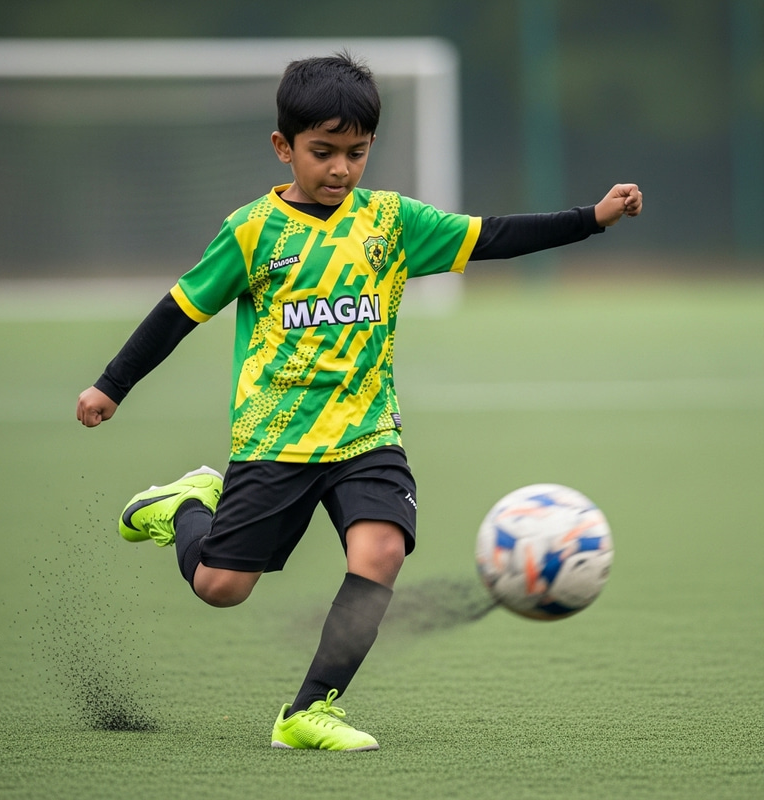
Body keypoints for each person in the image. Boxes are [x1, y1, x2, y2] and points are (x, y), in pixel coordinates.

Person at [76, 52, 642, 751]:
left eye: (356, 152)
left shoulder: (391, 222)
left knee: (380, 551)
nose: (340, 168)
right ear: (284, 148)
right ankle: (185, 506)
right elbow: (178, 311)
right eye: (322, 152)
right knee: (221, 587)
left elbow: (493, 235)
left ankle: (310, 711)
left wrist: (592, 218)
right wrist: (112, 384)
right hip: (275, 440)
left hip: (369, 436)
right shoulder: (253, 232)